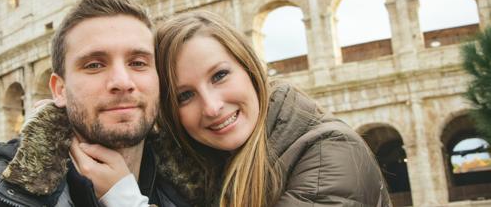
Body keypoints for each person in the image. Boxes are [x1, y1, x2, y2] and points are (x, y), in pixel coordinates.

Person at [0, 0, 188, 207]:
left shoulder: (199, 187)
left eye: (138, 62)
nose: (122, 82)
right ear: (59, 90)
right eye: (94, 65)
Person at [154, 11, 392, 206]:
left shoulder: (330, 153)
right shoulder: (206, 167)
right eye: (184, 96)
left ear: (250, 68)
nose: (212, 107)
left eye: (220, 75)